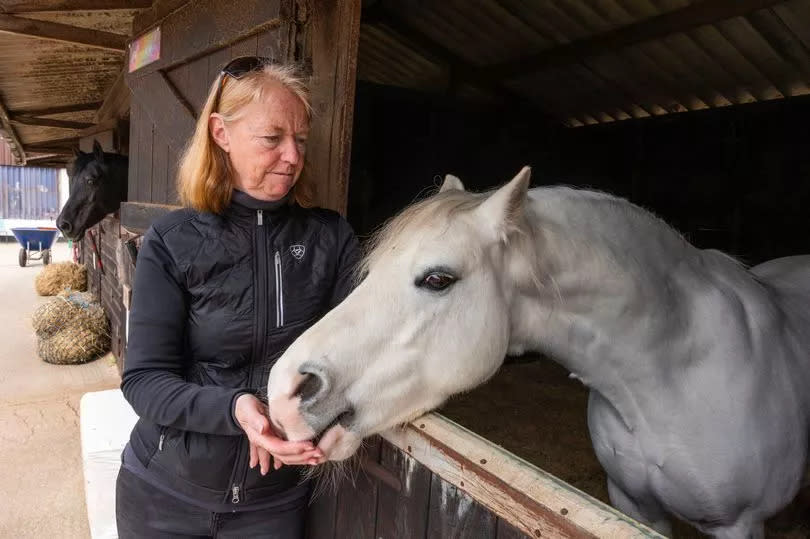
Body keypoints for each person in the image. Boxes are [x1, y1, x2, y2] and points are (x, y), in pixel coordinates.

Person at [116, 56, 360, 538]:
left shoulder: (331, 240)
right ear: (221, 134)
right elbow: (143, 381)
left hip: (271, 506)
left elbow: (363, 355)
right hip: (162, 495)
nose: (293, 156)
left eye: (301, 140)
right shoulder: (173, 240)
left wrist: (300, 422)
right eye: (273, 138)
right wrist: (237, 410)